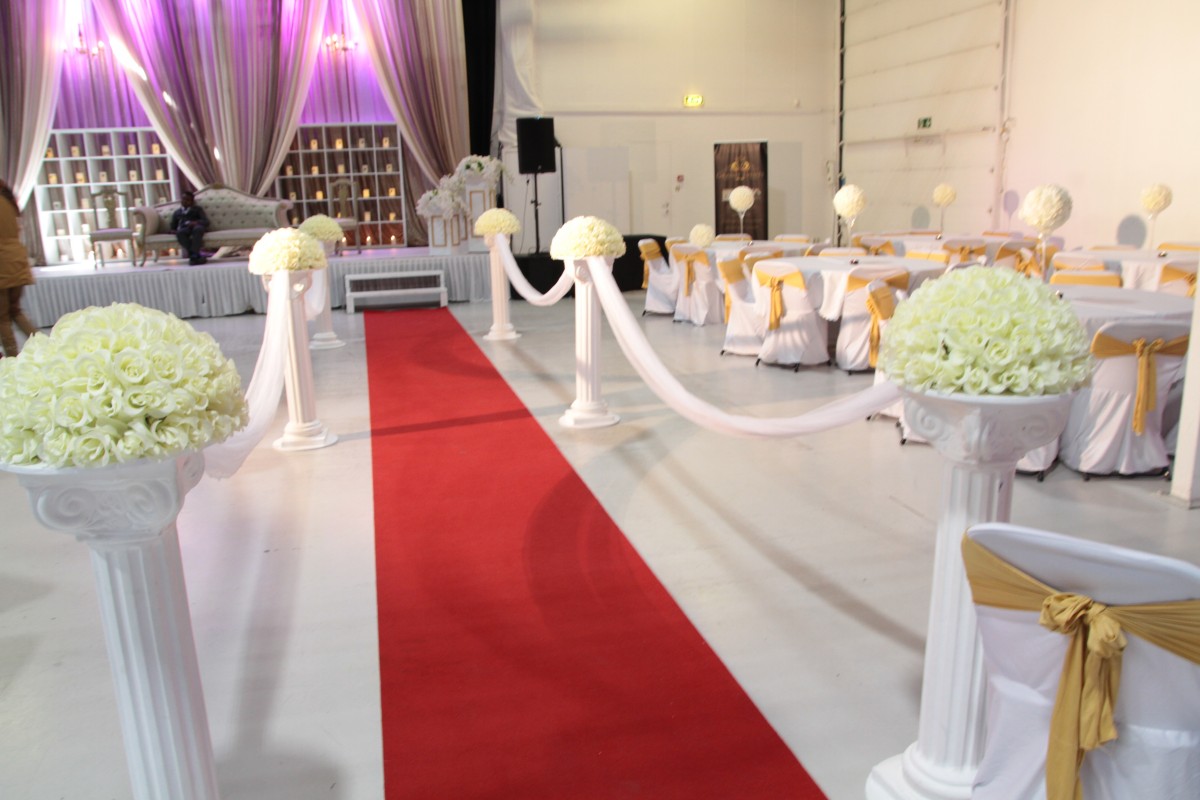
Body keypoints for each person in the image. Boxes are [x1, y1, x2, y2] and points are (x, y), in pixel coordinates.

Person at [0, 179, 38, 357]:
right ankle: (44, 345)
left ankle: (12, 358)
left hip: (3, 263)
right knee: (15, 311)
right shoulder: (7, 201)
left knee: (2, 317)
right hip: (17, 259)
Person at [170, 190, 210, 265]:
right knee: (180, 233)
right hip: (185, 228)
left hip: (197, 226)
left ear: (192, 201)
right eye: (183, 199)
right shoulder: (177, 212)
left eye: (188, 200)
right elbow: (173, 226)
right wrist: (173, 230)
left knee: (198, 229)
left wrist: (196, 222)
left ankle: (193, 256)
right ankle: (195, 255)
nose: (185, 201)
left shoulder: (197, 209)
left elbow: (206, 222)